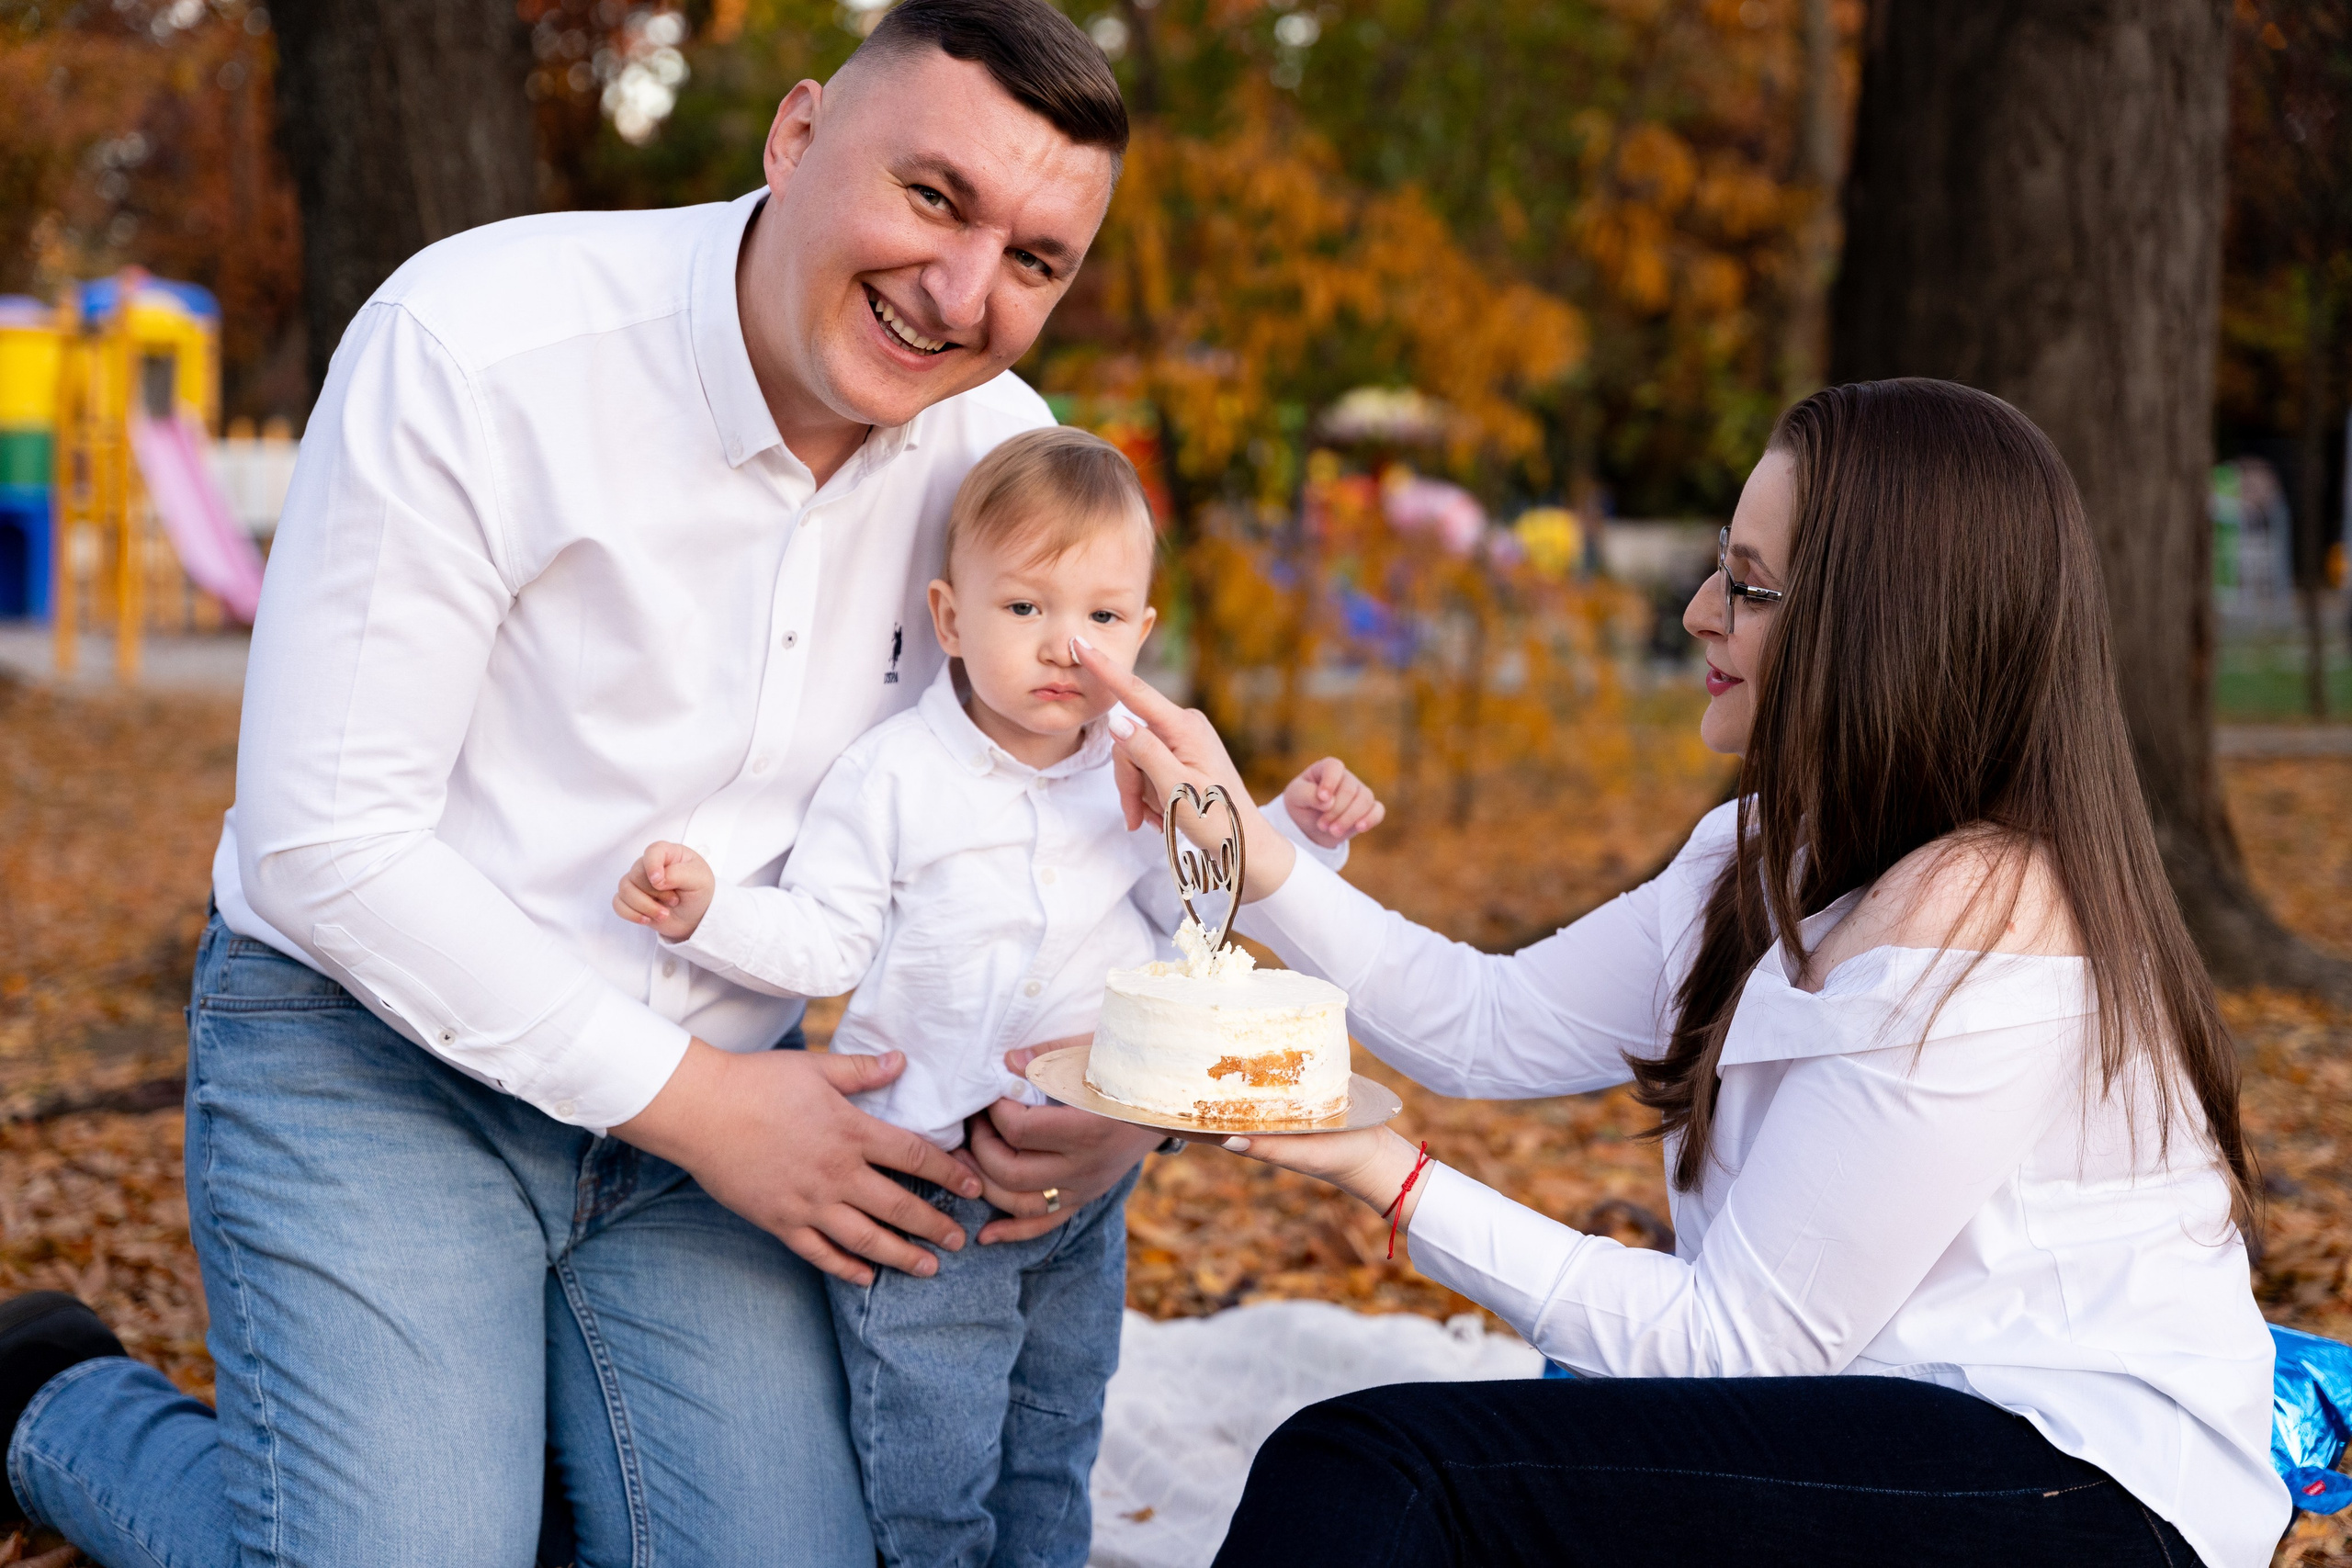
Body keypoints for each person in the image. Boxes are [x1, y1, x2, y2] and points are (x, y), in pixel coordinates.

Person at [0, 5, 1163, 1565]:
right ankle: (53, 1396)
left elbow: (1076, 821)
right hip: (375, 1054)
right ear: (798, 135)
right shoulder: (479, 341)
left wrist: (1119, 1103)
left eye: (1034, 258)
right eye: (933, 197)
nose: (962, 292)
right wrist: (706, 1111)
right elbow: (321, 844)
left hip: (724, 1106)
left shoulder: (1004, 465)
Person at [1080, 378, 2286, 1568]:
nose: (1703, 611)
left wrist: (1387, 1175)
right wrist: (1247, 847)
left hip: (2081, 1484)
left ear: (1883, 624)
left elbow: (1733, 1349)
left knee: (1380, 1469)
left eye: (1751, 586)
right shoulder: (1758, 856)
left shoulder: (1988, 912)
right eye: (1721, 566)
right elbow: (1481, 1022)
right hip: (1867, 1419)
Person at [613, 426, 1383, 1567]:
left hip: (1083, 1194)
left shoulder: (1137, 772)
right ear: (950, 619)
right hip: (925, 1188)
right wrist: (709, 911)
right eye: (1025, 608)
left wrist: (1297, 835)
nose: (1067, 646)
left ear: (1142, 632)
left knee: (1057, 1429)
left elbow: (1203, 901)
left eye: (1102, 616)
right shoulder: (893, 778)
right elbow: (826, 940)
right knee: (932, 1462)